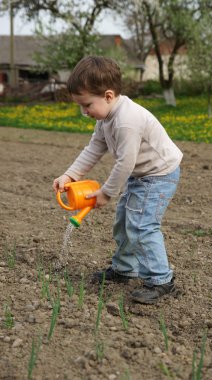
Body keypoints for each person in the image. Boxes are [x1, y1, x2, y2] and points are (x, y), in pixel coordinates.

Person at [53, 56, 183, 304]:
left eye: (87, 105)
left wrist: (106, 192)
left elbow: (125, 163)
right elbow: (94, 148)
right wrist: (70, 174)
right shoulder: (105, 118)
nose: (84, 112)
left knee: (142, 226)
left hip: (158, 175)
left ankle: (161, 280)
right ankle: (125, 269)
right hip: (141, 175)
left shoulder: (126, 121)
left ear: (109, 96)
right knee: (124, 222)